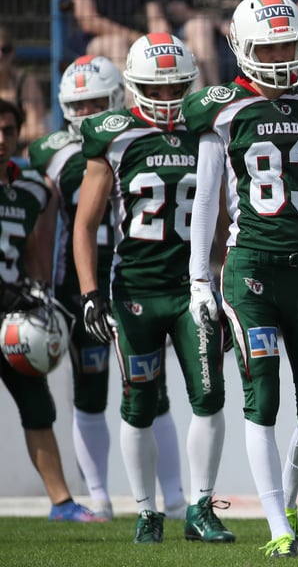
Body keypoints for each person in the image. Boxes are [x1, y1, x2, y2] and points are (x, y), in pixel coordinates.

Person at [184, 0, 298, 558]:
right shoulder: (223, 108)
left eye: (291, 43)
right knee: (261, 400)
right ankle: (277, 528)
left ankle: (286, 496)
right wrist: (198, 280)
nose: (284, 56)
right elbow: (207, 203)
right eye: (272, 46)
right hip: (251, 272)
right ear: (242, 49)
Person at [73, 34, 234, 545]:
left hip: (193, 289)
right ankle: (147, 512)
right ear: (132, 87)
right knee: (139, 402)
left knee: (209, 396)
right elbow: (85, 225)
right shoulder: (113, 135)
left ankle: (200, 507)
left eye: (175, 89)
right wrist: (90, 293)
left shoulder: (209, 131)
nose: (166, 101)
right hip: (136, 290)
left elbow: (229, 221)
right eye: (153, 89)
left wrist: (225, 290)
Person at [28, 54, 188, 521]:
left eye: (97, 101)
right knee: (90, 390)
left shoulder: (137, 137)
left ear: (120, 96)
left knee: (152, 391)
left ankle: (174, 498)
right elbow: (44, 225)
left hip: (134, 278)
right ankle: (98, 496)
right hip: (79, 286)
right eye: (78, 105)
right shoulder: (51, 153)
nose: (87, 113)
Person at [0, 98, 105, 524]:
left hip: (11, 316)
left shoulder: (29, 189)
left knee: (38, 405)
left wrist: (39, 292)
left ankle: (62, 502)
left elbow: (32, 249)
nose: (1, 137)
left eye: (8, 129)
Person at [71, 0, 219, 88]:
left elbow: (156, 18)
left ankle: (207, 103)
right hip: (97, 40)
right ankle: (134, 113)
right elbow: (88, 21)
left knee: (185, 51)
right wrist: (137, 38)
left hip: (137, 39)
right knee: (117, 44)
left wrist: (165, 41)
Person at [0, 27, 47, 155]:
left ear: (13, 53)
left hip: (19, 150)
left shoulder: (26, 82)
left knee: (34, 153)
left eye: (5, 50)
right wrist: (24, 132)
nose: (1, 55)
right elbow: (30, 130)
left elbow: (37, 129)